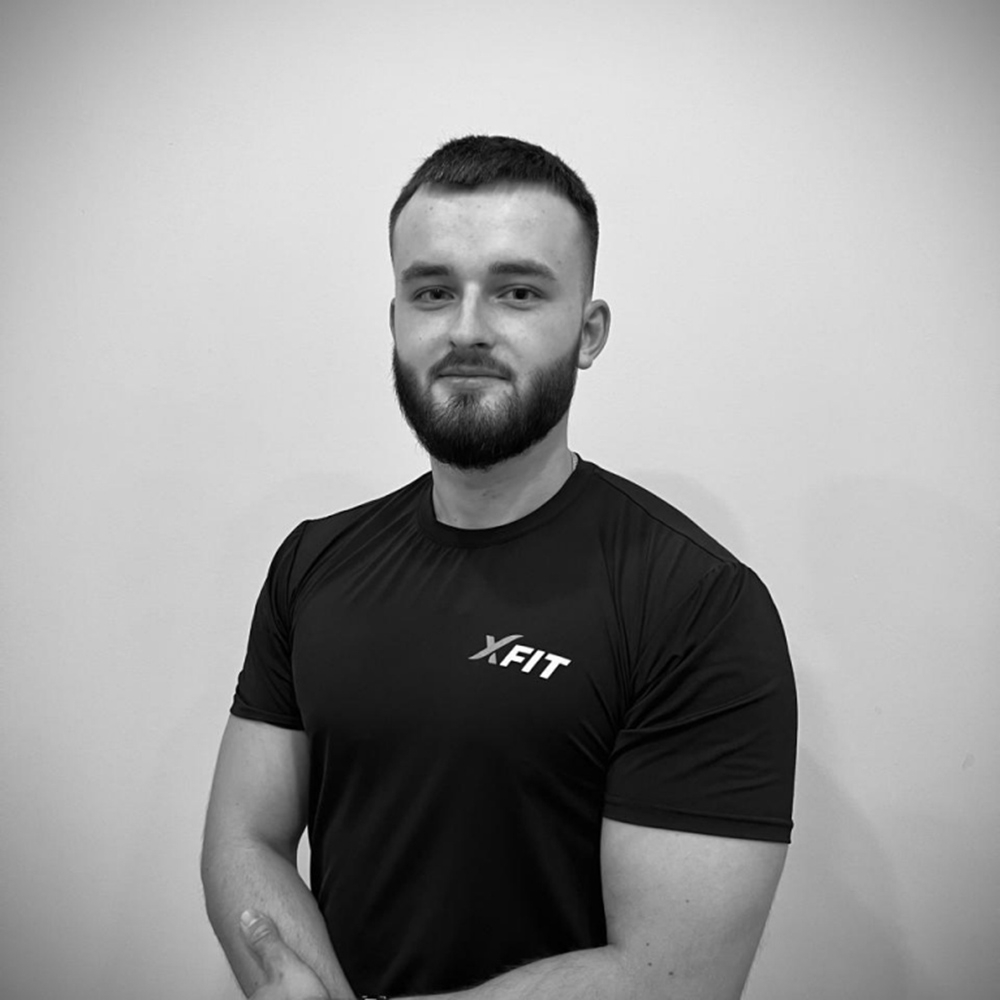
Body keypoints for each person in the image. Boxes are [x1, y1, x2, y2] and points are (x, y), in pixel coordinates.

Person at [201, 135, 797, 1000]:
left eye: (518, 292)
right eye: (433, 291)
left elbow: (674, 978)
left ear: (588, 333)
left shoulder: (696, 604)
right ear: (396, 322)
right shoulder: (313, 563)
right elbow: (245, 839)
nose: (467, 329)